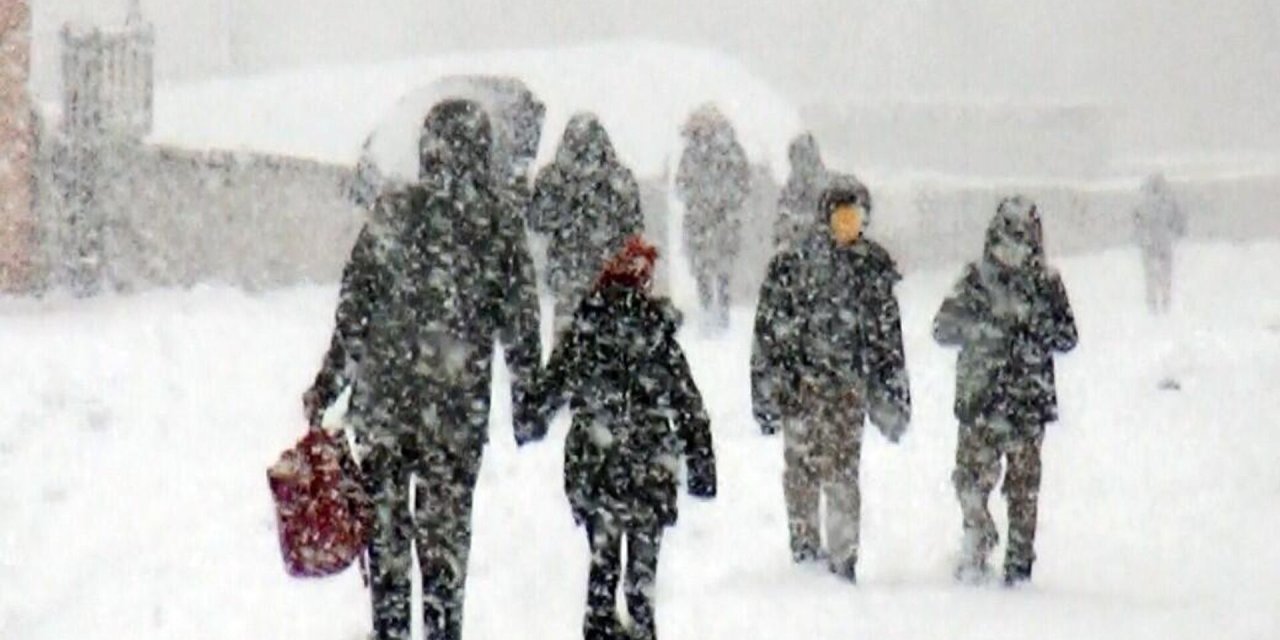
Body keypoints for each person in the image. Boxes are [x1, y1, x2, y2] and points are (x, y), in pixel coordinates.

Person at [302, 99, 542, 640]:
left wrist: (329, 382)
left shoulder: (394, 212)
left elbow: (355, 308)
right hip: (456, 414)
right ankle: (441, 629)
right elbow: (521, 323)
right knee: (444, 544)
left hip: (385, 408)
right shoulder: (498, 225)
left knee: (386, 537)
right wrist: (527, 398)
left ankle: (390, 630)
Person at [524, 235, 717, 640]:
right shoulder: (656, 335)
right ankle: (640, 630)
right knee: (642, 579)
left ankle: (600, 628)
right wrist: (701, 466)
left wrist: (531, 418)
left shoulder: (586, 331)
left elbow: (548, 391)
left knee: (602, 565)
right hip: (650, 468)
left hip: (597, 467)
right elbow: (688, 404)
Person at [750, 175, 911, 583]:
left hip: (846, 392)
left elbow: (887, 342)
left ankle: (842, 560)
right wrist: (767, 391)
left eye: (855, 219)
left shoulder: (871, 269)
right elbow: (768, 334)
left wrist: (892, 395)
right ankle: (805, 552)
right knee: (801, 472)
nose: (848, 228)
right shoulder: (793, 265)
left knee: (841, 474)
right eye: (841, 219)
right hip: (801, 388)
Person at [933, 196, 1078, 586]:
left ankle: (1019, 564)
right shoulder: (975, 279)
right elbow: (942, 328)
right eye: (1007, 239)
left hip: (1027, 403)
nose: (1014, 249)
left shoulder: (1047, 284)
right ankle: (978, 539)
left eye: (1022, 239)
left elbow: (1067, 336)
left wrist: (1031, 329)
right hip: (981, 401)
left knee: (1023, 490)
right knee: (969, 482)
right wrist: (984, 327)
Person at [528, 113, 643, 333]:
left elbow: (537, 220)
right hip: (607, 279)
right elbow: (634, 227)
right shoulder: (619, 180)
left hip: (572, 276)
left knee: (568, 347)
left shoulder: (553, 178)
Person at [676, 104, 751, 329]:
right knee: (705, 268)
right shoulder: (693, 152)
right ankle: (708, 310)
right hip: (705, 220)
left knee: (720, 268)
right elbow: (681, 184)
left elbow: (742, 182)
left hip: (718, 220)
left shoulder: (727, 151)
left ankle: (719, 312)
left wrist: (716, 201)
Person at [1132, 173, 1186, 314]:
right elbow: (1178, 220)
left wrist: (1139, 238)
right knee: (1165, 274)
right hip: (1163, 242)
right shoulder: (1168, 201)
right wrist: (1178, 232)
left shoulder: (1141, 202)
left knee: (1150, 275)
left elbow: (1137, 222)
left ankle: (1153, 303)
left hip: (1149, 243)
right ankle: (1165, 301)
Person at [773, 132, 831, 252]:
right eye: (797, 158)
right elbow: (782, 222)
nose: (801, 165)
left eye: (805, 157)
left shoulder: (827, 187)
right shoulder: (789, 191)